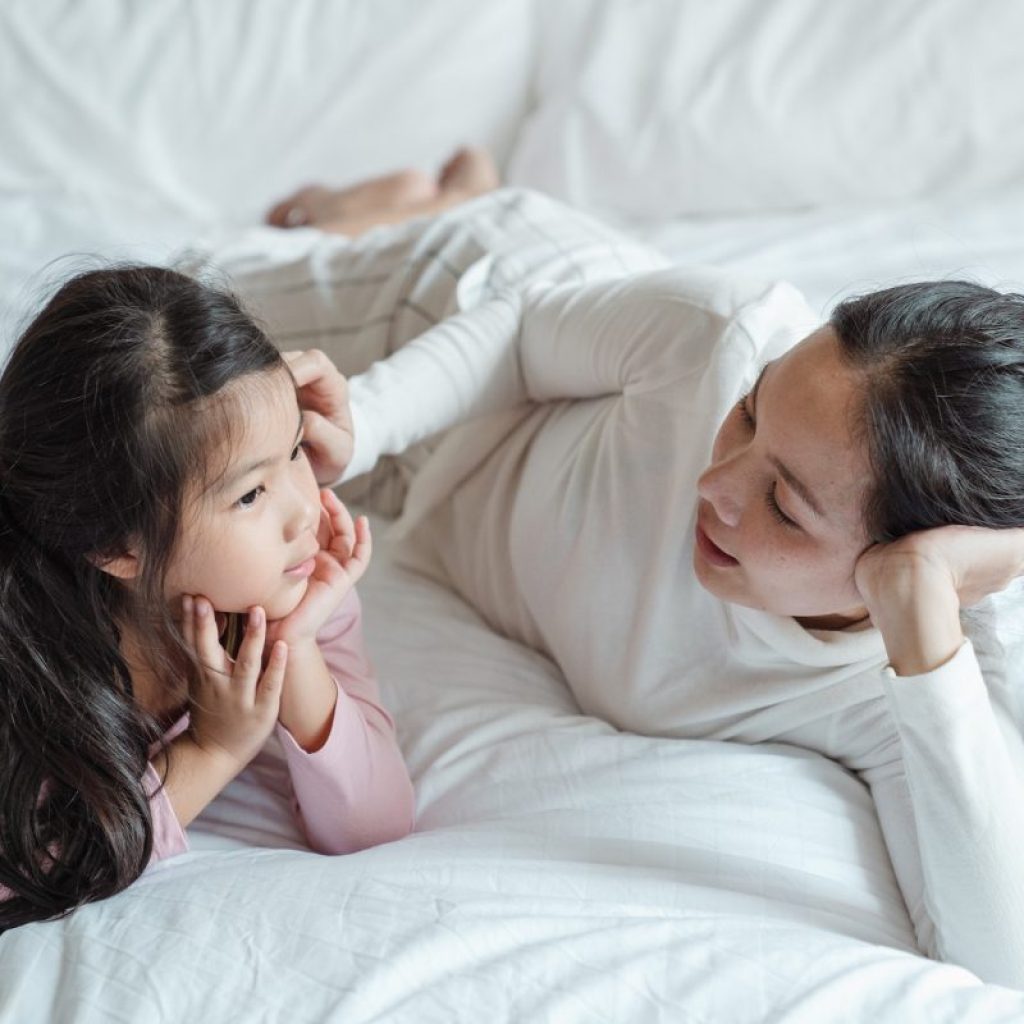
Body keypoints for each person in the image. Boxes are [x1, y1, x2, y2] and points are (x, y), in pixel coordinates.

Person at [209, 152, 1024, 989]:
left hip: (442, 487)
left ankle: (451, 189)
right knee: (195, 303)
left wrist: (942, 606)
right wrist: (366, 419)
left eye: (783, 504)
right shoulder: (720, 337)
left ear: (899, 564)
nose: (715, 486)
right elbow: (522, 332)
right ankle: (445, 203)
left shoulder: (895, 689)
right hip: (442, 328)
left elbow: (1001, 961)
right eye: (748, 413)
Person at [0, 265, 416, 930]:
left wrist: (294, 646)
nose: (303, 513)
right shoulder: (37, 658)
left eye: (297, 452)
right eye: (251, 494)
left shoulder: (287, 582)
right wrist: (210, 753)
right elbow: (33, 871)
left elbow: (374, 823)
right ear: (118, 548)